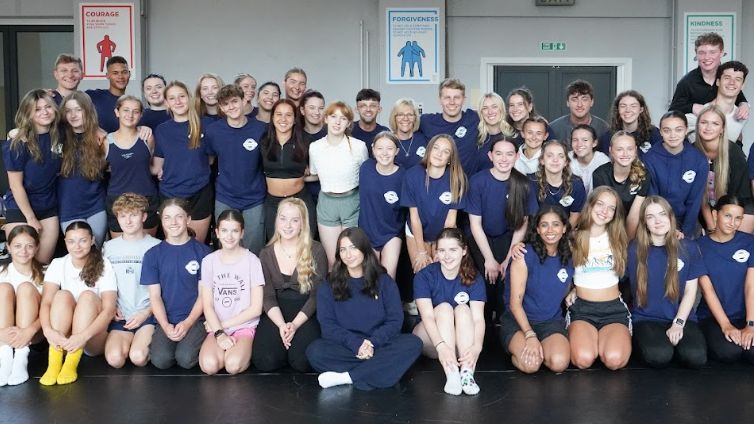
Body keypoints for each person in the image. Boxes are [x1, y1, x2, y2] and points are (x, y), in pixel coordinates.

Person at [306, 228, 422, 390]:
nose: (348, 254)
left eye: (353, 248)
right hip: (347, 347)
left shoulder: (384, 281)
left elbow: (395, 320)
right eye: (343, 250)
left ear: (364, 249)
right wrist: (356, 344)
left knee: (413, 343)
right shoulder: (329, 285)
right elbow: (328, 326)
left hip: (378, 344)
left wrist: (372, 343)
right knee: (315, 352)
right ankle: (379, 371)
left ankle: (349, 377)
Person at [628, 196, 707, 368]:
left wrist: (678, 324)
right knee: (659, 356)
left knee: (696, 357)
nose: (658, 221)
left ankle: (674, 345)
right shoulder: (634, 249)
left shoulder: (688, 248)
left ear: (671, 217)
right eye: (650, 217)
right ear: (644, 222)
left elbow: (690, 291)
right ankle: (662, 345)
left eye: (662, 214)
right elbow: (612, 278)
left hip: (681, 317)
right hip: (646, 319)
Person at [467, 136, 537, 322]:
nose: (504, 159)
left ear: (516, 157)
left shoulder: (524, 184)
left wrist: (508, 257)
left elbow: (522, 224)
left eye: (509, 154)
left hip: (509, 239)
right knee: (486, 278)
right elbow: (475, 224)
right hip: (482, 238)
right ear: (490, 156)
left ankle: (505, 323)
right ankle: (483, 323)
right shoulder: (478, 181)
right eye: (498, 153)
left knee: (507, 280)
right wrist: (489, 259)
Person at [253, 198, 327, 372]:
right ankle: (283, 348)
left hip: (305, 311)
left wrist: (294, 325)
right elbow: (267, 296)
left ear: (303, 224)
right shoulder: (266, 253)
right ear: (276, 220)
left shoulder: (316, 250)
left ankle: (291, 348)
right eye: (283, 218)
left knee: (303, 362)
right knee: (266, 361)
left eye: (294, 220)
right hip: (276, 311)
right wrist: (281, 325)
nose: (288, 225)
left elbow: (317, 295)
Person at [39, 222, 117, 385]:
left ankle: (70, 364)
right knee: (61, 295)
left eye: (82, 240)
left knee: (87, 296)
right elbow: (46, 303)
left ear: (92, 240)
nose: (77, 246)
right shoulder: (58, 264)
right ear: (65, 242)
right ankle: (54, 363)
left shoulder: (104, 264)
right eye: (71, 241)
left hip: (91, 339)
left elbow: (109, 310)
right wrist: (47, 331)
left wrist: (82, 337)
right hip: (64, 339)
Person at [141, 198, 212, 370]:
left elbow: (204, 296)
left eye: (178, 217)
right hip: (167, 318)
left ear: (188, 220)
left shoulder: (203, 253)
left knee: (185, 359)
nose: (173, 222)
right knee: (161, 360)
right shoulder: (153, 255)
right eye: (167, 218)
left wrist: (187, 323)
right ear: (162, 221)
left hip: (196, 319)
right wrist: (165, 325)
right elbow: (155, 296)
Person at [413, 228, 485, 395]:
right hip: (431, 340)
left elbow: (478, 320)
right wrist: (441, 346)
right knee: (445, 308)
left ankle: (467, 374)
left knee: (462, 309)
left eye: (453, 250)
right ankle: (452, 374)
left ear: (464, 251)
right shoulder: (424, 276)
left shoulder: (474, 277)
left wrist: (477, 347)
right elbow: (428, 317)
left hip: (460, 344)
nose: (447, 256)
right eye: (442, 250)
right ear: (436, 252)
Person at [567, 186, 631, 370]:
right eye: (600, 204)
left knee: (614, 360)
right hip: (582, 309)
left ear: (615, 213)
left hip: (613, 309)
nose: (604, 211)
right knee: (583, 359)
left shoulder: (619, 238)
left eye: (611, 207)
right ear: (590, 205)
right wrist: (573, 288)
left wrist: (675, 233)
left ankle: (611, 337)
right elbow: (559, 269)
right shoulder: (574, 237)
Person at [503, 205, 573, 374]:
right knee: (531, 365)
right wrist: (530, 335)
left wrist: (574, 290)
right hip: (519, 323)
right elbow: (515, 304)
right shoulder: (524, 254)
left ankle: (543, 350)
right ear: (538, 229)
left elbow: (567, 284)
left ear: (564, 228)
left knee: (559, 363)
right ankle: (520, 350)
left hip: (550, 322)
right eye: (544, 225)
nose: (550, 230)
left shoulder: (570, 254)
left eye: (556, 224)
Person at [198, 209, 265, 375]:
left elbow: (256, 309)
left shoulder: (252, 261)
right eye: (225, 230)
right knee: (209, 366)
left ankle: (242, 352)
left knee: (232, 366)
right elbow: (207, 305)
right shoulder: (208, 261)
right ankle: (226, 350)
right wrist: (219, 333)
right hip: (217, 327)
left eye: (235, 231)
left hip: (243, 325)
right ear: (217, 233)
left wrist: (224, 326)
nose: (229, 236)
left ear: (242, 233)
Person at [204, 84, 267, 253]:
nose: (231, 107)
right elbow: (209, 161)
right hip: (226, 196)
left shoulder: (261, 129)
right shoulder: (213, 131)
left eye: (234, 101)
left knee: (253, 248)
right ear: (221, 108)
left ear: (243, 100)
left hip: (254, 197)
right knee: (225, 246)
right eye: (225, 104)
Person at [2, 89, 61, 264]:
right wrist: (30, 218)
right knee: (23, 263)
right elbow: (16, 186)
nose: (44, 112)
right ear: (28, 113)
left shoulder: (60, 134)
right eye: (37, 109)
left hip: (48, 207)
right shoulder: (17, 142)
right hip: (21, 209)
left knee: (42, 263)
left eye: (48, 107)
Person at [102, 193, 161, 369]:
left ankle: (142, 341)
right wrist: (109, 307)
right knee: (115, 360)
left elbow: (165, 289)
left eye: (133, 215)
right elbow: (102, 283)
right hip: (120, 316)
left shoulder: (157, 247)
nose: (128, 221)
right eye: (123, 216)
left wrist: (146, 313)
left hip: (148, 315)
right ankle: (127, 340)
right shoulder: (109, 248)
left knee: (138, 357)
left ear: (143, 217)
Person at [308, 101, 369, 268]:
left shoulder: (358, 146)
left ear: (349, 123)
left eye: (343, 118)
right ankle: (335, 293)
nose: (337, 122)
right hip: (327, 202)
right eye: (333, 116)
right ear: (326, 118)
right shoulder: (315, 147)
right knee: (332, 260)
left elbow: (367, 175)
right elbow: (314, 175)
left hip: (352, 201)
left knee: (353, 257)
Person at [153, 81, 213, 243]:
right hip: (170, 194)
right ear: (166, 103)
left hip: (200, 193)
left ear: (190, 98)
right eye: (172, 98)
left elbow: (212, 158)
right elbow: (157, 165)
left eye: (182, 96)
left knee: (196, 248)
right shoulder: (162, 130)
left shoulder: (205, 125)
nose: (178, 101)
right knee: (175, 246)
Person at [697, 195, 754, 363]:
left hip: (745, 315)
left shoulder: (750, 242)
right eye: (727, 216)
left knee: (751, 352)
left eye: (738, 218)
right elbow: (708, 291)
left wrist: (750, 324)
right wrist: (726, 325)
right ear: (715, 215)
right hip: (713, 317)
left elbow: (751, 286)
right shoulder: (699, 246)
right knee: (729, 353)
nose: (733, 223)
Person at [401, 134, 468, 273]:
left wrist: (441, 248)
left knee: (442, 271)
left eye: (446, 151)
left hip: (442, 231)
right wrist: (421, 251)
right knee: (423, 272)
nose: (439, 154)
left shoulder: (456, 179)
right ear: (429, 150)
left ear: (450, 158)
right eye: (436, 148)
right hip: (417, 232)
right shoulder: (412, 175)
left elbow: (450, 221)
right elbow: (415, 217)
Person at [643, 111, 707, 238]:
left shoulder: (698, 160)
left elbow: (695, 201)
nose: (673, 135)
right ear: (660, 132)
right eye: (667, 130)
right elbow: (652, 198)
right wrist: (668, 228)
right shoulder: (649, 159)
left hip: (687, 222)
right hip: (658, 222)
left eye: (678, 130)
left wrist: (685, 232)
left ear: (686, 130)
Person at [261, 99, 316, 241]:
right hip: (273, 202)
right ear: (272, 118)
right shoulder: (263, 141)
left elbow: (319, 172)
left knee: (305, 243)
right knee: (274, 244)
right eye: (279, 114)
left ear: (295, 119)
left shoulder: (306, 141)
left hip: (300, 199)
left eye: (288, 115)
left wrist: (306, 173)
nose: (283, 119)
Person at [693, 105, 754, 234]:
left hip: (735, 206)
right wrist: (711, 224)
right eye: (704, 122)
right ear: (697, 126)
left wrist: (724, 222)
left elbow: (738, 195)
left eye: (715, 124)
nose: (708, 128)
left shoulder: (733, 152)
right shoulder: (690, 152)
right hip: (704, 209)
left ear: (722, 129)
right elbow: (697, 195)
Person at [105, 95, 160, 238]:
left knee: (147, 250)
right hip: (117, 199)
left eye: (135, 111)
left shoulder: (147, 137)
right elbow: (104, 168)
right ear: (117, 112)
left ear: (141, 114)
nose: (130, 115)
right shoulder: (106, 141)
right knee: (121, 252)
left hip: (146, 197)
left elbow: (153, 166)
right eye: (126, 110)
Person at [58, 92, 108, 247]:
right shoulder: (58, 137)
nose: (73, 115)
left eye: (78, 109)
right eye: (68, 111)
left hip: (96, 207)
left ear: (88, 110)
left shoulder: (101, 138)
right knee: (77, 253)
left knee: (95, 253)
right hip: (68, 207)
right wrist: (15, 132)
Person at [0, 225, 44, 386]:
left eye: (29, 246)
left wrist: (29, 331)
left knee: (25, 287)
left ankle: (20, 358)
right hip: (3, 335)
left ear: (37, 247)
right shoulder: (2, 272)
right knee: (3, 288)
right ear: (8, 248)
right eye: (17, 246)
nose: (23, 251)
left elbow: (49, 311)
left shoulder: (46, 273)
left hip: (34, 335)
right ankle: (4, 358)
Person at [358, 131, 406, 279]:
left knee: (387, 277)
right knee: (368, 277)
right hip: (367, 231)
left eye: (390, 148)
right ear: (372, 149)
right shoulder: (366, 168)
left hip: (391, 232)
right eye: (380, 148)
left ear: (397, 151)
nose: (384, 153)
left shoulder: (404, 176)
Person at [669, 32, 748, 120]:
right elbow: (672, 112)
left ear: (721, 53)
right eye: (702, 53)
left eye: (712, 52)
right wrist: (692, 107)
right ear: (696, 53)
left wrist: (744, 105)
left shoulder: (727, 76)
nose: (707, 57)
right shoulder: (686, 82)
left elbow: (739, 97)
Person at [592, 131, 650, 240]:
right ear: (611, 151)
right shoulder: (600, 175)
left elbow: (634, 216)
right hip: (607, 224)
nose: (625, 154)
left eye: (629, 149)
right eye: (619, 149)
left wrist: (627, 244)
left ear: (635, 151)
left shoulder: (643, 175)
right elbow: (602, 213)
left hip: (633, 229)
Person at [420, 79, 480, 174]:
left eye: (457, 97)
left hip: (467, 185)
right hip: (437, 185)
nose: (452, 102)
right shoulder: (426, 122)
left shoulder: (474, 119)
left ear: (463, 99)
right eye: (447, 97)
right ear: (440, 99)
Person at [685, 61, 747, 142]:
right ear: (718, 82)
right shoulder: (698, 113)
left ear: (742, 86)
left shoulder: (742, 115)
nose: (732, 82)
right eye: (727, 78)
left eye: (738, 79)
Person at [534, 140, 587, 227]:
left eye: (561, 156)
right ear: (542, 160)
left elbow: (575, 215)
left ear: (566, 162)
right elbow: (531, 216)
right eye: (550, 156)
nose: (555, 160)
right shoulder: (532, 182)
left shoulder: (576, 183)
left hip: (565, 231)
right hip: (538, 231)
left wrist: (562, 233)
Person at [598, 90, 662, 155]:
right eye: (623, 106)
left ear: (641, 109)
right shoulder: (607, 137)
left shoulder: (654, 134)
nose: (628, 110)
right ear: (617, 109)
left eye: (633, 106)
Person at [549, 80, 610, 146]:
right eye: (574, 99)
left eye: (584, 99)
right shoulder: (554, 129)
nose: (579, 105)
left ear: (592, 102)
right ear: (567, 102)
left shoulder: (604, 129)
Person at [85, 55, 131, 133]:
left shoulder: (132, 104)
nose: (120, 76)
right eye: (115, 73)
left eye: (124, 72)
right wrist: (95, 129)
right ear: (107, 75)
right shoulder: (93, 96)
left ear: (129, 74)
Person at [475, 92, 514, 172]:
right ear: (481, 112)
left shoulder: (512, 137)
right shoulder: (476, 138)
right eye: (485, 108)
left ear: (501, 109)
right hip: (481, 183)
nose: (490, 112)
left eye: (494, 107)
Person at [387, 98, 428, 170]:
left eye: (410, 115)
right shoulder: (387, 141)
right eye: (400, 114)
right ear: (394, 118)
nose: (405, 118)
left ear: (415, 118)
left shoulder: (424, 139)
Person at [569, 124, 609, 194]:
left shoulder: (603, 161)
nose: (579, 144)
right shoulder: (567, 159)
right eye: (575, 140)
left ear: (594, 143)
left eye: (585, 140)